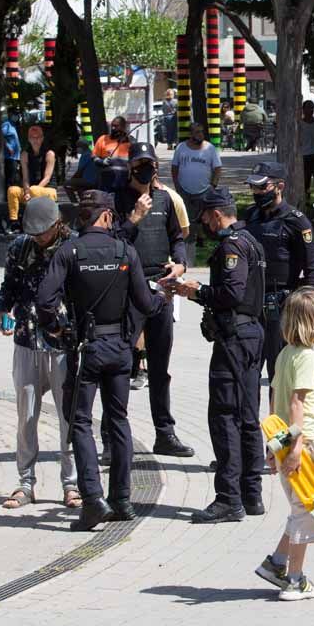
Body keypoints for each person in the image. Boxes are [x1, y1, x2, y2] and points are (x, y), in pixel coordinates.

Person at [34, 190, 167, 531]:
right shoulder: (125, 251)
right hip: (120, 348)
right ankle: (122, 499)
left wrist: (60, 331)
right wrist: (161, 295)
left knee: (80, 422)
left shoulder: (69, 251)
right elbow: (146, 303)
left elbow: (44, 301)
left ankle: (93, 500)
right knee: (118, 420)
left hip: (85, 348)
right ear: (107, 216)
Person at [164, 186, 268, 523]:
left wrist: (199, 292)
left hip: (235, 340)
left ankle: (228, 499)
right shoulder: (251, 240)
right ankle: (252, 495)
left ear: (217, 214)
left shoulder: (232, 246)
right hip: (250, 335)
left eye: (206, 218)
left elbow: (231, 293)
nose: (205, 224)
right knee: (248, 416)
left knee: (225, 417)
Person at [0, 197, 80, 511]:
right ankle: (25, 483)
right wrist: (2, 311)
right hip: (26, 341)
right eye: (33, 232)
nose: (37, 237)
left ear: (57, 223)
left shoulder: (73, 247)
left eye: (42, 232)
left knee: (68, 418)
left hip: (61, 344)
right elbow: (9, 285)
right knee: (26, 417)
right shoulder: (19, 247)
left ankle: (71, 484)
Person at [111, 142, 194, 457]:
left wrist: (181, 264)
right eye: (140, 164)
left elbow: (177, 238)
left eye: (151, 164)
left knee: (160, 367)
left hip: (162, 289)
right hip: (128, 290)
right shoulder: (117, 199)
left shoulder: (166, 199)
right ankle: (113, 437)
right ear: (131, 167)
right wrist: (134, 217)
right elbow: (114, 242)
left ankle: (165, 433)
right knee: (121, 365)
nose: (147, 169)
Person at [254, 288, 314, 601]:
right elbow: (296, 403)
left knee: (309, 505)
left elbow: (274, 400)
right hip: (305, 442)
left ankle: (275, 563)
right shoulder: (306, 357)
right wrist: (298, 445)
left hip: (285, 441)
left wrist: (273, 447)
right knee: (312, 508)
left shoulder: (285, 353)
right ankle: (295, 578)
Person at [243, 162, 314, 380]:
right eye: (254, 188)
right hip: (250, 305)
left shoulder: (296, 222)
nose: (257, 193)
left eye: (262, 187)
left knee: (279, 375)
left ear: (280, 186)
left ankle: (279, 415)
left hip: (280, 306)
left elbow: (313, 273)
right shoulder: (250, 216)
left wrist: (303, 313)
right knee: (247, 370)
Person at [171, 122, 223, 268]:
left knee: (207, 223)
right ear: (191, 134)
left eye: (201, 132)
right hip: (185, 192)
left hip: (204, 191)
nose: (200, 135)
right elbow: (174, 168)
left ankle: (214, 253)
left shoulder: (210, 148)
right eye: (197, 132)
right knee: (188, 224)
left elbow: (218, 169)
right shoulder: (181, 148)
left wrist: (213, 186)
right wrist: (177, 187)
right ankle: (188, 259)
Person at [5, 124, 57, 229]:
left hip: (47, 191)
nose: (35, 140)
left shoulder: (49, 154)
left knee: (34, 190)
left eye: (38, 137)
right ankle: (14, 222)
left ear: (42, 138)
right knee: (12, 190)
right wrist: (27, 192)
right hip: (30, 191)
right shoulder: (25, 154)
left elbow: (47, 177)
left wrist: (32, 191)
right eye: (33, 138)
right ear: (29, 139)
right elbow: (25, 178)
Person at [92, 116, 133, 192]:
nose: (113, 128)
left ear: (123, 127)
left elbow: (136, 160)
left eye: (116, 126)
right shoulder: (103, 139)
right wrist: (101, 162)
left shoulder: (131, 141)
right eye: (112, 126)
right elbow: (94, 157)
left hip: (125, 180)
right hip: (106, 180)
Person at [64, 137, 100, 202]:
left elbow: (80, 171)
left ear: (82, 147)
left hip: (89, 180)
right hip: (93, 180)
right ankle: (82, 201)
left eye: (78, 147)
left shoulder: (86, 155)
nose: (77, 149)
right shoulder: (90, 153)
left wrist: (71, 179)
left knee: (67, 184)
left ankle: (74, 203)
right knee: (77, 185)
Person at [1, 114, 22, 189]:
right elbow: (1, 135)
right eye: (15, 113)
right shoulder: (6, 124)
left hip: (16, 156)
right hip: (10, 156)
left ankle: (12, 195)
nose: (16, 116)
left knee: (14, 177)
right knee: (10, 178)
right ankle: (7, 197)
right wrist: (9, 147)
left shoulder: (14, 125)